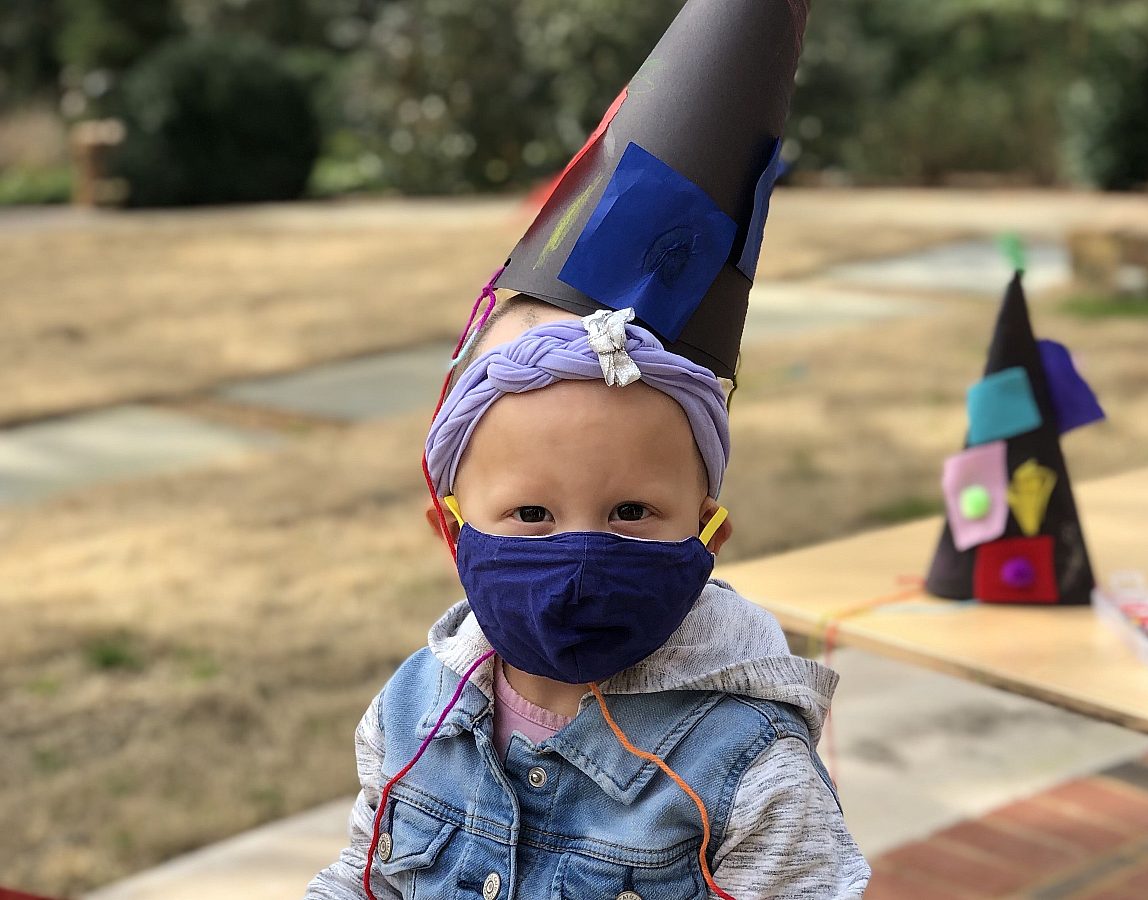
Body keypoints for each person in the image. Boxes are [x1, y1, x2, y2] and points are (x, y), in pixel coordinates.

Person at [309, 0, 871, 894]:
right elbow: (363, 872)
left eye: (632, 512)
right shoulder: (414, 713)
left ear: (708, 531)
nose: (580, 555)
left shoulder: (751, 770)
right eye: (531, 514)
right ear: (450, 529)